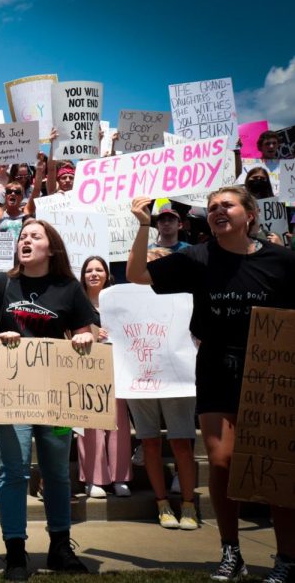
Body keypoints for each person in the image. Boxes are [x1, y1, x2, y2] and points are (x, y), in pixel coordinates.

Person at [127, 187, 295, 583]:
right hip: (216, 365)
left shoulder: (282, 262)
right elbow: (137, 274)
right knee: (221, 461)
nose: (219, 211)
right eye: (214, 207)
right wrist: (143, 227)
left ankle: (287, 557)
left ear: (250, 214)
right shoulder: (197, 257)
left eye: (228, 205)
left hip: (270, 371)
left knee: (274, 465)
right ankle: (231, 552)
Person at [0, 219, 94, 581]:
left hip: (57, 396)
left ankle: (60, 546)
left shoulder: (69, 288)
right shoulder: (2, 284)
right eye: (22, 236)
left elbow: (85, 331)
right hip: (11, 395)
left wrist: (83, 340)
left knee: (57, 471)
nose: (25, 240)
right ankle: (15, 552)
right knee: (15, 471)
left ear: (51, 248)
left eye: (34, 236)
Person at [118, 248, 199, 529]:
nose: (149, 269)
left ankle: (188, 504)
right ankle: (162, 504)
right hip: (140, 376)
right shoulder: (124, 298)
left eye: (155, 264)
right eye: (145, 263)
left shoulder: (186, 295)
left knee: (181, 443)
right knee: (149, 442)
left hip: (177, 378)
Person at [75, 256, 132, 499]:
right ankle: (94, 479)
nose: (94, 274)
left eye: (99, 270)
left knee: (119, 424)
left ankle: (119, 477)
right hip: (86, 370)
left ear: (108, 275)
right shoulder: (76, 304)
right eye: (89, 270)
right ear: (83, 276)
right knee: (91, 426)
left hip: (118, 369)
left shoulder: (119, 304)